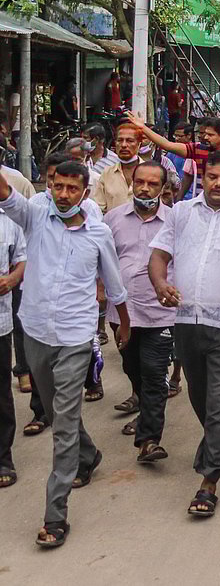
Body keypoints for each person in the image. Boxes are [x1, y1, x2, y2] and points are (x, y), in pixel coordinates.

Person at [0, 160, 128, 547]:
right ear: (49, 186)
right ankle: (88, 455)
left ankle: (55, 516)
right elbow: (6, 194)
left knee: (65, 422)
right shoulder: (35, 215)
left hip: (75, 337)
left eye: (72, 189)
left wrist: (124, 324)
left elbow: (114, 283)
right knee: (55, 411)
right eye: (58, 187)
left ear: (85, 193)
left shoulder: (98, 234)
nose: (64, 195)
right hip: (36, 331)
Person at [148, 151, 220, 518]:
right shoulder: (180, 213)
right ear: (203, 177)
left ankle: (209, 482)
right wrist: (161, 283)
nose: (219, 184)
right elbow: (159, 256)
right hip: (185, 322)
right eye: (213, 177)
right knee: (198, 394)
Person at [103, 161, 174, 465]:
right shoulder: (112, 219)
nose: (145, 188)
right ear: (133, 182)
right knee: (133, 369)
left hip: (160, 312)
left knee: (155, 374)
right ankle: (146, 410)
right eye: (140, 182)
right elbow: (100, 260)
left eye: (153, 184)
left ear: (162, 188)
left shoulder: (174, 221)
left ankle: (148, 440)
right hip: (122, 314)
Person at [0, 195, 28, 491]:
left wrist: (12, 278)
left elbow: (22, 258)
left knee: (0, 393)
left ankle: (3, 458)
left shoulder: (9, 220)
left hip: (0, 322)